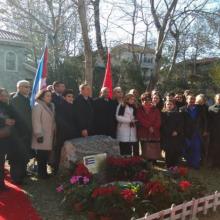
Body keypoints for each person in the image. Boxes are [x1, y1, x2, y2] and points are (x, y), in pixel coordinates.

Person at [9, 80, 32, 184]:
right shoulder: (16, 99)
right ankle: (16, 178)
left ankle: (22, 173)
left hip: (26, 133)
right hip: (18, 133)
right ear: (19, 87)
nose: (28, 89)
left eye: (29, 87)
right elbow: (19, 118)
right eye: (26, 87)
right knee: (17, 157)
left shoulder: (26, 99)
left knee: (24, 155)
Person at [32, 90, 55, 179]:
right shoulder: (38, 106)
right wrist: (38, 134)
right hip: (41, 135)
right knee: (41, 156)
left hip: (49, 134)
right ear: (42, 97)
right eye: (47, 96)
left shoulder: (50, 106)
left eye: (50, 96)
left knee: (45, 155)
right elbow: (36, 121)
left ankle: (43, 172)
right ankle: (41, 174)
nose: (49, 98)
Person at [179, 95, 207, 169]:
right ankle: (188, 162)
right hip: (187, 132)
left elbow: (204, 120)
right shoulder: (182, 109)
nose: (192, 100)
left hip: (197, 132)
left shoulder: (200, 108)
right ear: (186, 100)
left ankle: (195, 165)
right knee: (186, 149)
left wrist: (205, 130)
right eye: (190, 99)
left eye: (193, 99)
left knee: (196, 149)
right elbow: (180, 122)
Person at [53, 89, 76, 174]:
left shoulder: (72, 106)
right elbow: (59, 120)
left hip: (71, 133)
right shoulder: (60, 106)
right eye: (69, 96)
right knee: (59, 150)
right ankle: (56, 168)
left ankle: (69, 168)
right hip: (63, 133)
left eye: (72, 97)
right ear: (64, 97)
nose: (71, 98)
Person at [136, 92, 161, 161]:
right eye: (145, 100)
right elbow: (140, 119)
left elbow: (158, 120)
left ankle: (153, 160)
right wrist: (149, 126)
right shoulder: (139, 109)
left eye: (149, 100)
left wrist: (153, 127)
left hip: (154, 132)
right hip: (143, 131)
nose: (147, 102)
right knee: (144, 147)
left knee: (153, 147)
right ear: (142, 101)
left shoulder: (155, 109)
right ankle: (144, 161)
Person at [0, 88, 16, 190]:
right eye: (2, 95)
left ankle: (1, 184)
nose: (5, 97)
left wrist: (12, 121)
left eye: (6, 95)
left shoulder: (8, 106)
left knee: (1, 162)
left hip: (5, 138)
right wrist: (4, 122)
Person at [161, 100, 184, 168]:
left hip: (176, 136)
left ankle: (175, 164)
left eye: (171, 104)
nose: (169, 105)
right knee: (168, 151)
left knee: (175, 150)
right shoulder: (163, 114)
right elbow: (163, 125)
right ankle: (168, 164)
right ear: (165, 105)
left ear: (173, 105)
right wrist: (169, 132)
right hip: (167, 136)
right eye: (168, 104)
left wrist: (177, 131)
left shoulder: (178, 114)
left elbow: (181, 124)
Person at [208, 94, 220, 167]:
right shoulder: (211, 108)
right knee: (213, 147)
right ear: (215, 99)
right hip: (214, 132)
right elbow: (208, 121)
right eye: (219, 99)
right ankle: (213, 163)